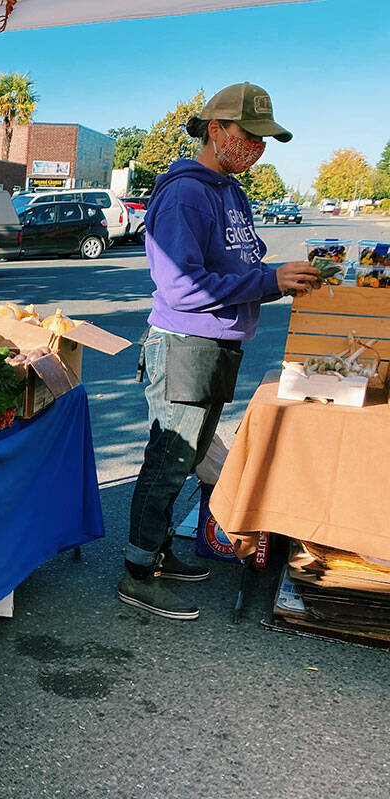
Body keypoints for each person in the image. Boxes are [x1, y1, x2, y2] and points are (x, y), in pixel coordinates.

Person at [119, 82, 321, 621]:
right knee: (167, 462)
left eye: (264, 140)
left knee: (185, 460)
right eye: (248, 136)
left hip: (216, 345)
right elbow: (182, 286)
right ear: (216, 130)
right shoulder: (186, 193)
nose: (256, 148)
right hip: (185, 345)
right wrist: (269, 282)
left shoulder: (230, 190)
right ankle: (137, 572)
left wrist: (277, 275)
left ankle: (158, 552)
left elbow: (235, 263)